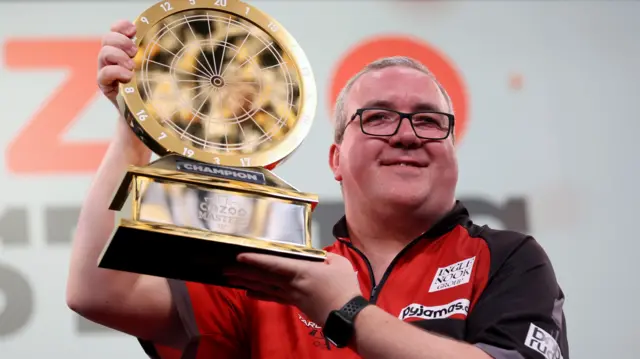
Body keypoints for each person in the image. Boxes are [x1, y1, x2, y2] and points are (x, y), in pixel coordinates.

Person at [67, 19, 570, 359]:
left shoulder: (507, 258)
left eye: (428, 120)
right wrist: (136, 124)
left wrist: (348, 313)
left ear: (451, 150)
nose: (406, 133)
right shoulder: (279, 278)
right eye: (376, 118)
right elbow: (98, 292)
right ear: (335, 159)